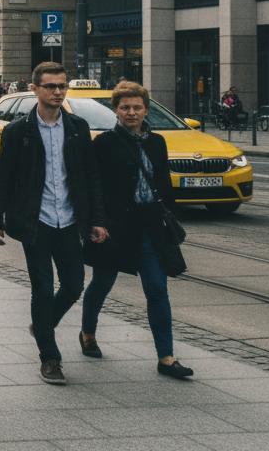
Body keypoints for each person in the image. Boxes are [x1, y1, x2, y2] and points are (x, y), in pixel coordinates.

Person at [0, 61, 109, 386]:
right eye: (51, 86)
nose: (57, 92)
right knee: (41, 287)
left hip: (68, 220)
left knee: (73, 285)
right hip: (35, 221)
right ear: (35, 89)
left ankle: (43, 324)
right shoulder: (17, 131)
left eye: (61, 86)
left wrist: (97, 219)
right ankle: (50, 358)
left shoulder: (78, 128)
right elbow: (2, 179)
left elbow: (91, 177)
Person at [79, 81, 193, 379]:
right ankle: (87, 332)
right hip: (115, 228)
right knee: (102, 283)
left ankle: (166, 357)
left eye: (137, 107)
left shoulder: (157, 142)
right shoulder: (104, 143)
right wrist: (97, 222)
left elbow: (164, 183)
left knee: (157, 288)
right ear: (115, 110)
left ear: (146, 110)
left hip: (150, 227)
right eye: (125, 107)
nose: (131, 113)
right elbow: (96, 188)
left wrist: (171, 216)